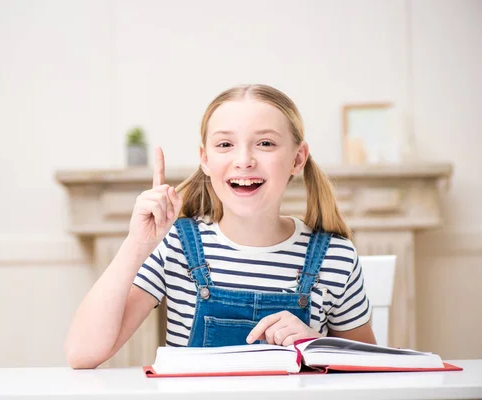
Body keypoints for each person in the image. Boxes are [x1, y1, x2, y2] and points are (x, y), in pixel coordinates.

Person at [64, 84, 376, 369]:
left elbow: (368, 370)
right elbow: (82, 353)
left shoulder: (337, 256)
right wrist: (136, 244)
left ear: (298, 158)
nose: (244, 160)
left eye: (265, 143)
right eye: (225, 144)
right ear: (205, 159)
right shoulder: (175, 246)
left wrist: (314, 345)